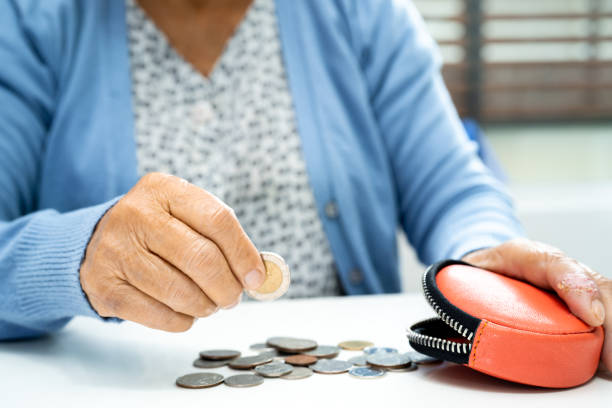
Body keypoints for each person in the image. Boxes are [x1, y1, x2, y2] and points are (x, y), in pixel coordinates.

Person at [0, 0, 609, 372]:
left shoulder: (363, 12)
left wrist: (484, 263)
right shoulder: (28, 23)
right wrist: (79, 257)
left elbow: (454, 186)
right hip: (111, 387)